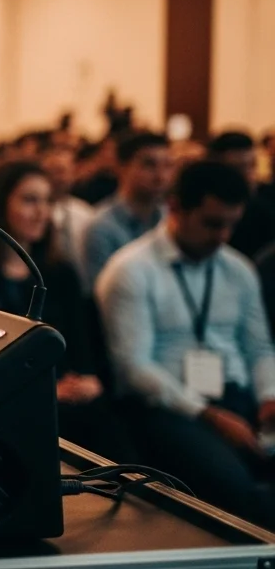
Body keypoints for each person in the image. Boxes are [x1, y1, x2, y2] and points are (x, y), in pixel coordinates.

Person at [97, 160, 275, 527]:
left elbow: (259, 348)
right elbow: (134, 368)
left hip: (237, 397)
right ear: (176, 208)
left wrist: (269, 397)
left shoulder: (237, 269)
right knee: (236, 490)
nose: (223, 236)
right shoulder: (131, 270)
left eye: (231, 224)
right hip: (169, 408)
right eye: (212, 223)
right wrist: (208, 415)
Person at [0, 161, 132, 461]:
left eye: (47, 201)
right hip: (2, 404)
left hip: (71, 396)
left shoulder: (59, 271)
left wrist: (88, 379)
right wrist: (48, 391)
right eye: (30, 200)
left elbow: (83, 341)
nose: (42, 212)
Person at [82, 132, 173, 287]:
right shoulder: (102, 226)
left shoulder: (169, 218)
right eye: (149, 165)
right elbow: (103, 292)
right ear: (121, 167)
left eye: (167, 166)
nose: (161, 176)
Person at [208, 131, 275, 259]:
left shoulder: (268, 201)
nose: (249, 175)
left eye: (252, 166)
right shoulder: (208, 210)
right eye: (239, 168)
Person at [41, 145, 95, 271]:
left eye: (63, 171)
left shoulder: (85, 212)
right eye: (52, 171)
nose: (58, 178)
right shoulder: (38, 215)